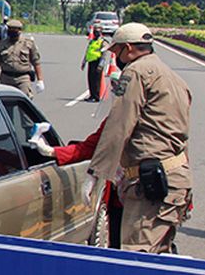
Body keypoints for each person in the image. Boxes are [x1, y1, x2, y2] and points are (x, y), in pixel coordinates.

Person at [85, 23, 191, 253]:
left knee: (137, 257)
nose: (116, 57)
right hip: (174, 178)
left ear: (129, 48)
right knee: (160, 253)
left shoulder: (136, 73)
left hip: (151, 182)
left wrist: (97, 173)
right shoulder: (173, 77)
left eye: (117, 52)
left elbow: (119, 124)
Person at [29, 119, 123, 248]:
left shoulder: (147, 117)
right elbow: (91, 147)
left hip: (142, 197)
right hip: (119, 197)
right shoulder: (117, 116)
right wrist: (51, 151)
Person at [0, 18, 44, 97]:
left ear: (20, 30)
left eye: (14, 30)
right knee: (6, 102)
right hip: (6, 78)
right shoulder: (2, 44)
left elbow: (36, 62)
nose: (11, 32)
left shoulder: (28, 44)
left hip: (23, 79)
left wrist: (40, 80)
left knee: (24, 101)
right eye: (10, 29)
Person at [81, 28, 106, 102]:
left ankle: (96, 96)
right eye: (95, 32)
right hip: (91, 62)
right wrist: (84, 62)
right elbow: (87, 52)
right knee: (90, 79)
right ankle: (92, 95)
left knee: (96, 81)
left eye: (98, 32)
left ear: (101, 33)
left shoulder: (102, 42)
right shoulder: (92, 41)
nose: (96, 33)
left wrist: (101, 65)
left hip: (97, 62)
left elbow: (104, 55)